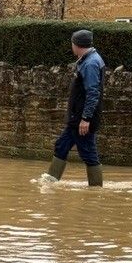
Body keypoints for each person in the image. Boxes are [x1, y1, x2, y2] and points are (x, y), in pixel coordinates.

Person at [46, 29, 105, 187]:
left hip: (82, 119)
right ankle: (50, 182)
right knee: (61, 145)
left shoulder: (91, 63)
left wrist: (86, 119)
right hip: (77, 118)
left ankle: (96, 189)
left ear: (76, 45)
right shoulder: (89, 59)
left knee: (88, 153)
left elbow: (93, 93)